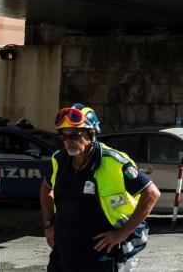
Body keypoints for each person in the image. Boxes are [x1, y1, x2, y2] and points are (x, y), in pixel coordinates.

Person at [41, 105, 161, 271]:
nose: (69, 142)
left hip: (101, 258)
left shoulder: (113, 161)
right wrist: (48, 224)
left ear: (91, 134)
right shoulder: (59, 159)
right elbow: (46, 188)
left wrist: (122, 234)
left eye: (75, 135)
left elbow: (152, 194)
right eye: (64, 136)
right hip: (63, 255)